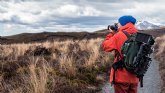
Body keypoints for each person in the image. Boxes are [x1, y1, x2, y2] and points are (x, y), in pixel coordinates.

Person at [102, 15, 139, 93]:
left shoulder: (119, 35)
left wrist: (111, 34)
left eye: (118, 23)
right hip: (135, 76)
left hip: (122, 76)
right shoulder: (139, 35)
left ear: (123, 23)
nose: (117, 25)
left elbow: (106, 47)